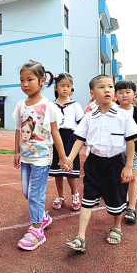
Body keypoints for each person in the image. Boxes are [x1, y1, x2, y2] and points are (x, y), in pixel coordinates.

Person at [65, 75, 137, 251]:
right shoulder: (89, 117)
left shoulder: (123, 116)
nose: (107, 90)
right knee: (87, 199)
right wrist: (69, 158)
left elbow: (131, 142)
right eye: (101, 87)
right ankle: (80, 237)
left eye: (110, 87)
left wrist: (129, 166)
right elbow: (79, 140)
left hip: (116, 164)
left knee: (115, 199)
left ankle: (116, 226)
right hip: (93, 164)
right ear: (92, 93)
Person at [13, 60, 72, 251]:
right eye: (22, 80)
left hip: (41, 159)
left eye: (30, 79)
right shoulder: (21, 105)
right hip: (26, 158)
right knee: (27, 192)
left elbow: (55, 133)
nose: (25, 84)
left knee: (35, 194)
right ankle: (43, 216)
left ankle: (37, 230)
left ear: (42, 81)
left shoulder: (48, 106)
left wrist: (63, 158)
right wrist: (16, 152)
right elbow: (17, 130)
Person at [49, 73, 84, 211]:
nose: (65, 88)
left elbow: (82, 124)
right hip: (56, 139)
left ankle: (75, 194)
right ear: (55, 87)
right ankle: (60, 196)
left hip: (71, 138)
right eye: (62, 85)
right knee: (57, 171)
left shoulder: (75, 105)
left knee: (70, 169)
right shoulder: (51, 105)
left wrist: (83, 138)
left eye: (68, 86)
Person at [115, 80, 137, 223]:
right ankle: (123, 201)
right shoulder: (112, 110)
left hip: (134, 150)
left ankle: (132, 208)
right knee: (119, 177)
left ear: (134, 94)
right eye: (120, 92)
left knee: (133, 178)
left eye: (128, 92)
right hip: (116, 150)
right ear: (115, 95)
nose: (124, 95)